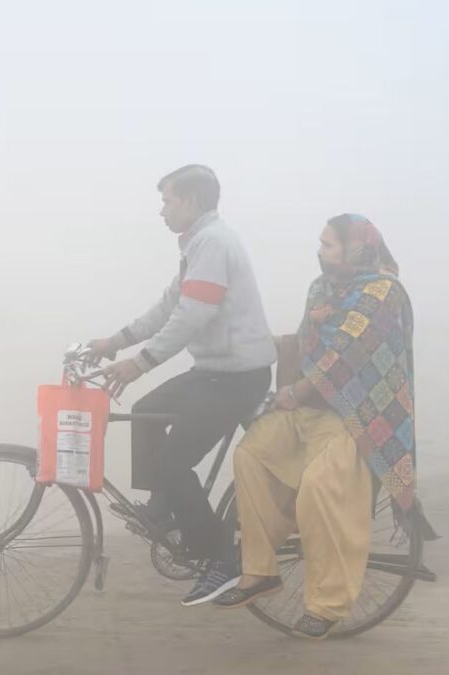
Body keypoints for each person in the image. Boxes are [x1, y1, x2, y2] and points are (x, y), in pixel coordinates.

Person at [214, 214, 426, 639]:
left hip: (358, 415)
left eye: (329, 245)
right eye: (321, 243)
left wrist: (300, 390)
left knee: (318, 486)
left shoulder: (383, 292)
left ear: (357, 249)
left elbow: (347, 352)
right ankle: (259, 571)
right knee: (252, 455)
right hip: (307, 405)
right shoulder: (322, 289)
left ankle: (327, 605)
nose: (320, 252)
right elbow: (305, 341)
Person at [86, 165, 276, 606]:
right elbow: (168, 305)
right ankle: (163, 506)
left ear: (190, 201)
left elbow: (192, 315)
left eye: (168, 200)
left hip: (237, 377)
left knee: (174, 463)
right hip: (213, 372)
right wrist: (114, 343)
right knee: (145, 411)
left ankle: (223, 561)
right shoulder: (197, 244)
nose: (162, 210)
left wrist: (141, 362)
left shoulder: (212, 242)